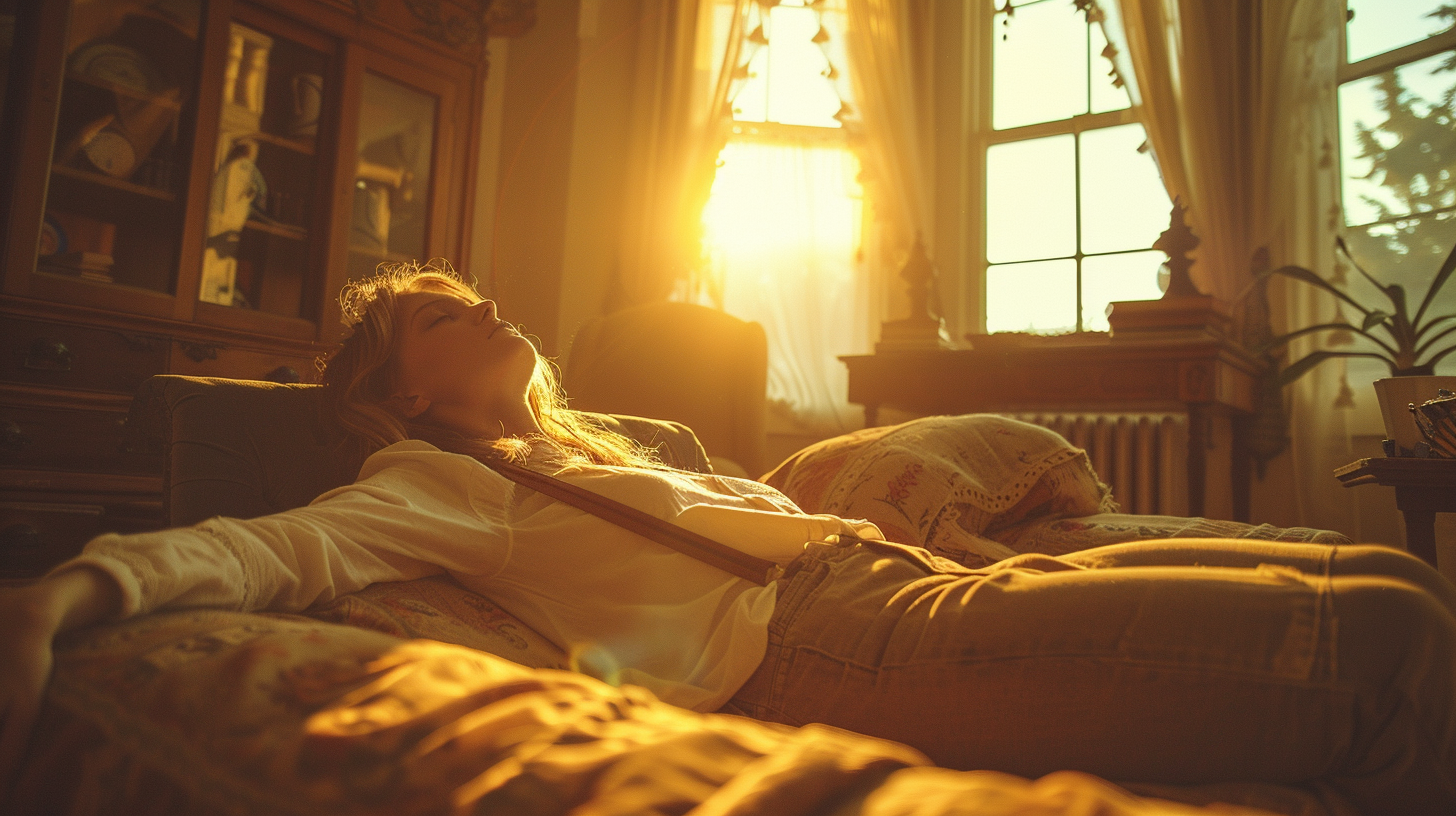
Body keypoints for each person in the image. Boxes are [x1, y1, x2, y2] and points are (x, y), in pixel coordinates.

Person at [2, 262, 1453, 815]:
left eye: (471, 293)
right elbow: (255, 556)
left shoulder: (585, 444)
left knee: (1376, 571)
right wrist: (65, 590)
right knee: (1378, 645)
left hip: (899, 576)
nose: (484, 303)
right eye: (442, 316)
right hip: (839, 644)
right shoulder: (422, 483)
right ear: (404, 388)